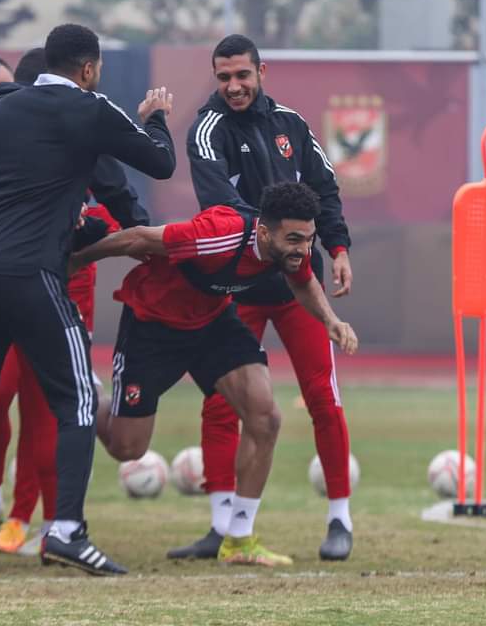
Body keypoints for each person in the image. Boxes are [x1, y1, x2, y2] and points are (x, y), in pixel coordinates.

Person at [0, 24, 175, 574]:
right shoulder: (88, 107)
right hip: (28, 270)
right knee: (79, 397)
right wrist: (156, 117)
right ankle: (65, 531)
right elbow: (160, 163)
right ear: (88, 69)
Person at [76, 181, 358, 568]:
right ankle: (90, 396)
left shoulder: (291, 254)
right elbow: (138, 238)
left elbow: (304, 282)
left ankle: (239, 538)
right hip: (153, 325)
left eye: (308, 239)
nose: (302, 249)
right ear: (264, 233)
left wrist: (331, 321)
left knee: (265, 416)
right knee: (128, 448)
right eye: (294, 239)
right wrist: (74, 261)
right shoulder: (219, 233)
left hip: (213, 324)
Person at [174, 34, 356, 561]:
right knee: (220, 403)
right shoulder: (207, 130)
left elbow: (325, 189)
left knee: (323, 397)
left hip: (299, 284)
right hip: (238, 286)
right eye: (224, 77)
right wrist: (270, 242)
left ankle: (340, 520)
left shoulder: (291, 124)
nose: (233, 86)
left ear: (261, 72)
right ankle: (222, 524)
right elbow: (218, 202)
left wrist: (338, 247)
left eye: (242, 76)